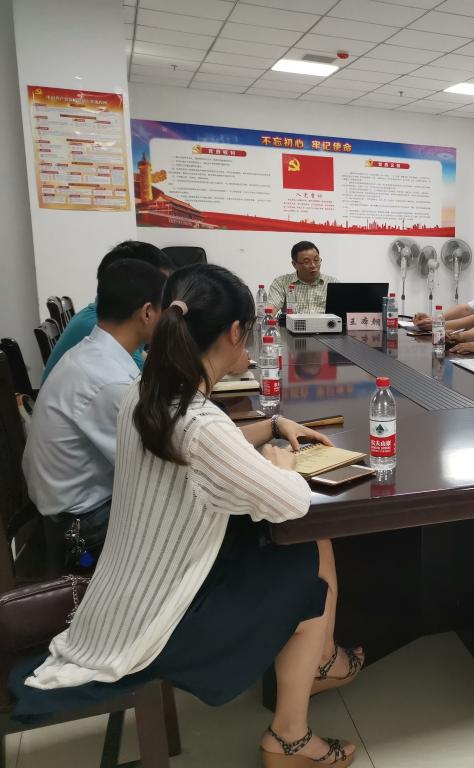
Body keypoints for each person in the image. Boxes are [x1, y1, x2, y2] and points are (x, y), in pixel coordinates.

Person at [12, 264, 363, 767]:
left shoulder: (147, 391)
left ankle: (323, 663)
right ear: (235, 332)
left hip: (128, 591)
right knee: (307, 575)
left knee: (301, 546)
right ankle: (289, 739)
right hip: (158, 619)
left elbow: (198, 447)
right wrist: (281, 463)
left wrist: (270, 427)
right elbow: (291, 501)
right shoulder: (197, 422)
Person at [23, 260, 166, 568]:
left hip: (67, 509)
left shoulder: (93, 353)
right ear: (147, 312)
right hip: (83, 527)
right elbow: (156, 465)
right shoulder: (108, 381)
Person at [41, 240, 173, 383]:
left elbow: (142, 360)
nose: (166, 301)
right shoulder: (101, 328)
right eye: (162, 289)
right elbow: (146, 384)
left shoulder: (105, 319)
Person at [268, 240, 339, 315]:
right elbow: (271, 310)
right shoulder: (281, 283)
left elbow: (343, 313)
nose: (313, 265)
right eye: (306, 262)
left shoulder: (333, 283)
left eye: (316, 260)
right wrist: (269, 314)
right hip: (294, 323)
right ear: (294, 264)